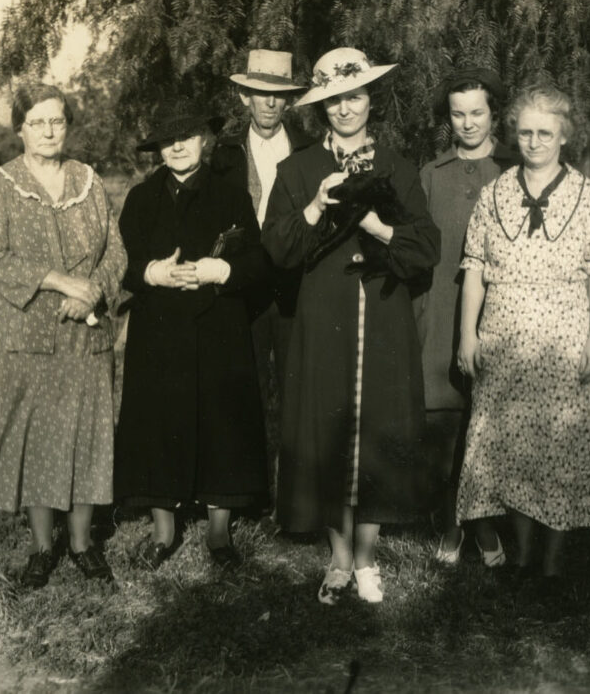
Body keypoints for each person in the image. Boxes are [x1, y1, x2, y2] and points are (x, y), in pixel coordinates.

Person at [262, 47, 440, 604]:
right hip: (324, 315)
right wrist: (315, 207)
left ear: (371, 101)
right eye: (334, 101)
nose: (345, 109)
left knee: (379, 426)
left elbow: (427, 247)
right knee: (328, 426)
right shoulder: (297, 171)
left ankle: (367, 558)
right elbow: (278, 249)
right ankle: (338, 559)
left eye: (355, 97)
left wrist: (377, 227)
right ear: (321, 108)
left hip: (383, 311)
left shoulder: (398, 167)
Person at [455, 84, 590, 591]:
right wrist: (467, 336)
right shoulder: (494, 193)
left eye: (545, 132)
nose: (534, 142)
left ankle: (553, 563)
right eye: (524, 132)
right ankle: (523, 557)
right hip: (503, 340)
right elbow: (475, 269)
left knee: (559, 446)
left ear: (565, 135)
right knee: (511, 449)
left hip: (564, 341)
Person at [0, 83, 126, 588]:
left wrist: (93, 292)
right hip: (26, 335)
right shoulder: (2, 184)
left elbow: (116, 252)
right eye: (37, 122)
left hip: (85, 332)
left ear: (68, 126)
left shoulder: (89, 180)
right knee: (37, 437)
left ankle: (82, 543)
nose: (48, 130)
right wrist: (60, 280)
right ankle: (42, 547)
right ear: (20, 128)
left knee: (85, 433)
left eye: (57, 121)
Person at [114, 97, 270, 570]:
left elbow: (256, 261)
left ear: (205, 140)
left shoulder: (231, 195)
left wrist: (220, 268)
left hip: (217, 325)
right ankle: (164, 529)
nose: (178, 145)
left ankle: (219, 532)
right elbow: (124, 264)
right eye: (168, 139)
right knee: (157, 421)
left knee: (223, 421)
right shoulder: (141, 199)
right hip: (158, 329)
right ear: (158, 149)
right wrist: (152, 273)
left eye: (187, 136)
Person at [416, 67, 517, 567]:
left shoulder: (517, 169)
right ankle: (453, 523)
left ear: (493, 113)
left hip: (504, 315)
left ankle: (489, 524)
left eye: (477, 112)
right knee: (448, 423)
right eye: (458, 114)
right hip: (442, 310)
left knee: (495, 421)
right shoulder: (432, 176)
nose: (468, 123)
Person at [210, 50, 312, 415]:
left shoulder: (308, 150)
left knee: (297, 395)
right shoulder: (224, 155)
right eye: (261, 92)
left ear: (289, 100)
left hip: (293, 289)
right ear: (244, 96)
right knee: (241, 398)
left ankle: (291, 471)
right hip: (241, 292)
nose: (270, 102)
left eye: (279, 94)